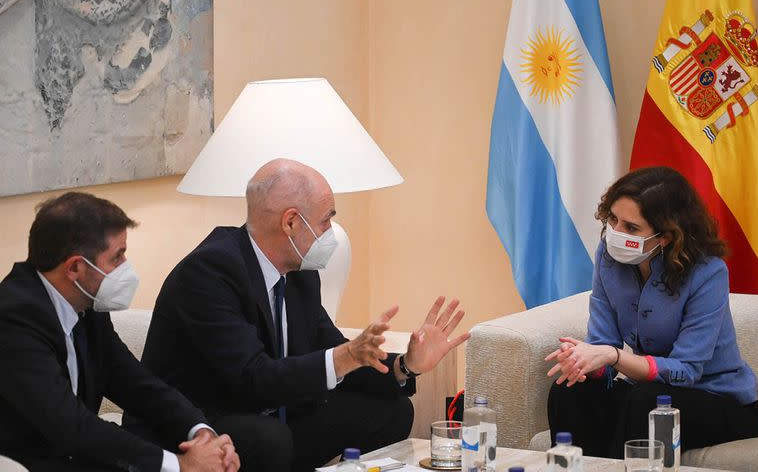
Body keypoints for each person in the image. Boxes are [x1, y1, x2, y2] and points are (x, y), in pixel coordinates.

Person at [135, 158, 470, 472]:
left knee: (391, 410)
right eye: (326, 219)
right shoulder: (209, 273)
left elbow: (330, 347)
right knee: (270, 438)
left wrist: (404, 365)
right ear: (291, 221)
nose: (330, 230)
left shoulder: (299, 271)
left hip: (269, 415)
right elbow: (253, 380)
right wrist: (342, 358)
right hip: (198, 424)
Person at [0, 192, 240, 472]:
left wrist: (199, 432)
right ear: (75, 267)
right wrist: (180, 464)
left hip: (79, 454)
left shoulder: (85, 305)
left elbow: (134, 382)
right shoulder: (14, 319)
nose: (126, 267)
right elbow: (70, 425)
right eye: (117, 257)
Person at [545, 166, 758, 458]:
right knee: (571, 390)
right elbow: (604, 347)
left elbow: (685, 371)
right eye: (613, 219)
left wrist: (614, 356)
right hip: (647, 394)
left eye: (632, 228)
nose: (616, 233)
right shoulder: (608, 258)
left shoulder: (708, 273)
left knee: (648, 402)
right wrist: (585, 361)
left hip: (719, 401)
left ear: (666, 236)